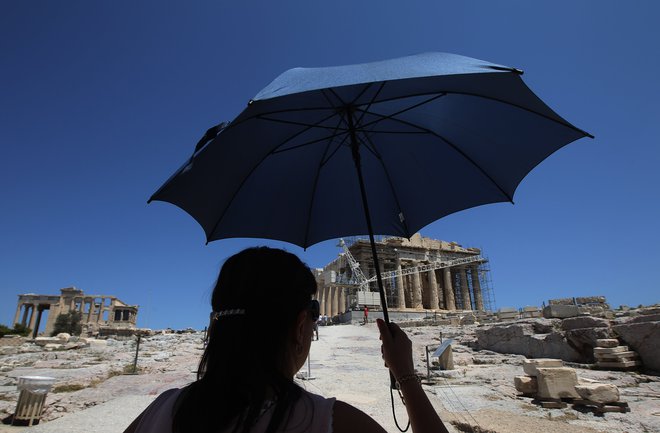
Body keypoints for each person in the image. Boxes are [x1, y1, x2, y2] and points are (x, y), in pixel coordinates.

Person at [124, 247, 448, 433]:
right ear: (299, 326)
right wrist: (405, 373)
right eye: (314, 312)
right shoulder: (331, 422)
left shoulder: (158, 413)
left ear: (216, 322)